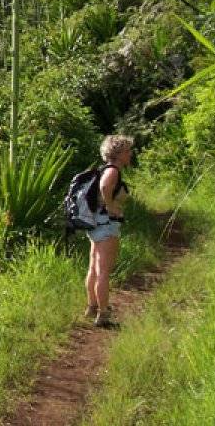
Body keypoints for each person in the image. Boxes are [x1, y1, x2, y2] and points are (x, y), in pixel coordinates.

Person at [85, 134, 133, 327]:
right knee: (103, 271)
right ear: (119, 153)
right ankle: (103, 314)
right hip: (107, 223)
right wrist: (111, 205)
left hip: (96, 222)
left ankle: (91, 307)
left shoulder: (104, 169)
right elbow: (105, 186)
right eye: (128, 151)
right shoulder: (113, 171)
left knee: (94, 268)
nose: (130, 154)